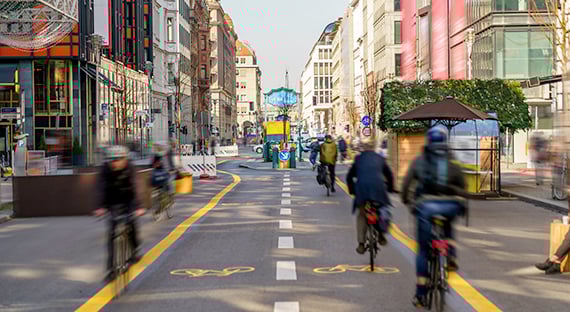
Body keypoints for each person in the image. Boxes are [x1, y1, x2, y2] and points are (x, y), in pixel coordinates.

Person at [400, 126, 467, 308]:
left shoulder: (420, 160)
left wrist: (407, 200)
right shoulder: (452, 159)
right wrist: (461, 201)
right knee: (448, 224)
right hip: (450, 205)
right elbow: (463, 183)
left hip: (426, 206)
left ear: (428, 141)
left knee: (423, 250)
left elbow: (406, 185)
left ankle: (421, 292)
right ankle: (451, 253)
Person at [94, 145, 145, 282]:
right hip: (112, 200)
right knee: (112, 233)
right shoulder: (105, 169)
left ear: (125, 159)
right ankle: (111, 270)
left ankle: (135, 251)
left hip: (128, 198)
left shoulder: (130, 168)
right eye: (112, 160)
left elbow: (136, 187)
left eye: (118, 160)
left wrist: (138, 207)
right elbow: (100, 187)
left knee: (131, 223)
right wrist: (100, 207)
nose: (115, 163)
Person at [347, 137, 394, 254]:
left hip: (362, 191)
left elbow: (349, 177)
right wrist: (390, 188)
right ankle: (382, 234)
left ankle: (361, 244)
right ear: (374, 148)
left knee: (362, 215)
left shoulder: (358, 159)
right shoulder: (380, 158)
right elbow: (389, 175)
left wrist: (352, 190)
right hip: (378, 190)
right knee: (382, 210)